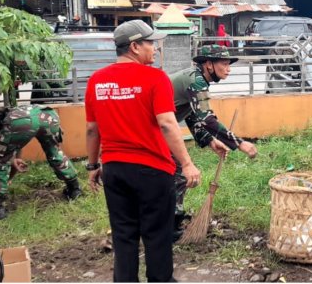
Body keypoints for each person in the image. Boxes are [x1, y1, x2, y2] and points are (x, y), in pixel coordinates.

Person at [85, 19, 201, 282]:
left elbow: (92, 130)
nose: (156, 49)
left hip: (114, 170)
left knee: (123, 234)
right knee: (157, 233)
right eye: (151, 43)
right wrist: (187, 163)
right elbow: (167, 123)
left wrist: (93, 167)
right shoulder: (155, 78)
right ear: (135, 46)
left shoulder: (97, 81)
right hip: (152, 170)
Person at [168, 45, 258, 240]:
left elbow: (192, 116)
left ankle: (170, 220)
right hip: (152, 130)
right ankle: (170, 226)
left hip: (160, 129)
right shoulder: (195, 80)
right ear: (208, 64)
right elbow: (207, 119)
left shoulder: (196, 78)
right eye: (224, 64)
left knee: (173, 175)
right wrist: (240, 143)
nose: (229, 69)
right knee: (177, 175)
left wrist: (209, 140)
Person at [0, 103, 81, 219]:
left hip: (22, 120)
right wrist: (12, 170)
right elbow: (17, 147)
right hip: (48, 114)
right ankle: (74, 188)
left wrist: (5, 179)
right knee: (54, 152)